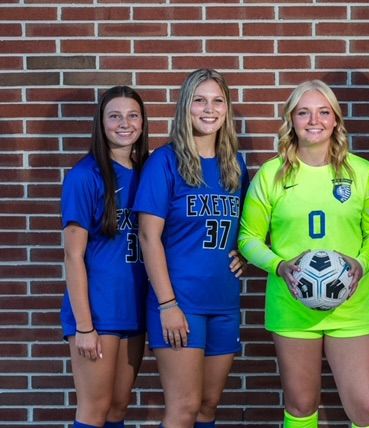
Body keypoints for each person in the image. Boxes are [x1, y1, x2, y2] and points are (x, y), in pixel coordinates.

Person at [238, 80, 369, 428]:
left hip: (351, 306)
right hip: (292, 307)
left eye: (323, 112)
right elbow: (248, 238)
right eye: (303, 112)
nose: (313, 120)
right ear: (291, 119)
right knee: (302, 406)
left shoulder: (360, 172)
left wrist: (361, 263)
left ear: (336, 119)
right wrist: (279, 265)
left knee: (366, 409)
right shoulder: (271, 175)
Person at [134, 69, 248, 428]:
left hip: (224, 302)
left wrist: (244, 251)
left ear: (227, 109)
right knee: (183, 408)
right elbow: (148, 237)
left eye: (217, 101)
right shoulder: (164, 162)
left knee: (208, 406)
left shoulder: (236, 165)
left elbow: (245, 228)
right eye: (199, 100)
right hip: (180, 303)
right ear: (186, 107)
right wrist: (167, 305)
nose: (208, 109)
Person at [60, 85, 149, 428]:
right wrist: (85, 326)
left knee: (118, 408)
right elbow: (73, 256)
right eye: (114, 116)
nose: (124, 124)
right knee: (94, 410)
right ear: (101, 122)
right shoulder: (86, 176)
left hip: (135, 308)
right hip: (97, 313)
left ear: (142, 122)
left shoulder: (150, 172)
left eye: (132, 115)